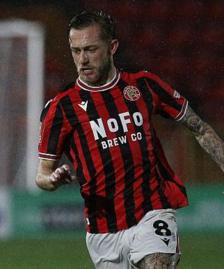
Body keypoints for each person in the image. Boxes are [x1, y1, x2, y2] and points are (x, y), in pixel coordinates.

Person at [36, 10, 224, 269]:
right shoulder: (60, 107)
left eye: (91, 49)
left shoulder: (143, 85)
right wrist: (53, 179)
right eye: (76, 51)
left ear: (112, 47)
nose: (83, 60)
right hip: (103, 232)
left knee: (157, 264)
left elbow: (199, 128)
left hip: (152, 211)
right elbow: (41, 176)